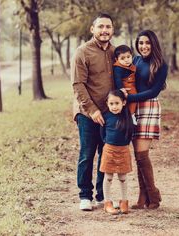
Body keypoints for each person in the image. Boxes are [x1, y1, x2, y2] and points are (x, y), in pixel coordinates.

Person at [71, 13, 115, 211]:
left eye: (108, 27)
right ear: (93, 29)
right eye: (101, 27)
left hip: (110, 113)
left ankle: (101, 194)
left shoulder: (116, 52)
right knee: (87, 153)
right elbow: (78, 85)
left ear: (112, 30)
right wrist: (92, 110)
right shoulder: (82, 52)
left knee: (105, 154)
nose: (104, 30)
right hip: (86, 112)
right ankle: (85, 195)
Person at [124, 30, 168, 209]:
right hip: (134, 108)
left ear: (154, 44)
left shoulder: (161, 64)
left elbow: (154, 91)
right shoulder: (135, 60)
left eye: (147, 43)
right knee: (137, 155)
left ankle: (153, 196)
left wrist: (129, 98)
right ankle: (143, 197)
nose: (144, 46)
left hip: (149, 106)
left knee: (142, 155)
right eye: (141, 43)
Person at [99, 90, 133, 214]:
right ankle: (107, 202)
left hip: (123, 150)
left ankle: (124, 201)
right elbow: (102, 133)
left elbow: (130, 133)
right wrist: (107, 142)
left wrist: (124, 145)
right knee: (108, 176)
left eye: (117, 103)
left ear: (123, 103)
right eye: (111, 103)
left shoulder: (127, 116)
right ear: (107, 104)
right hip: (109, 149)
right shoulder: (105, 116)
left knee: (123, 177)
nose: (114, 107)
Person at [113, 45, 137, 124]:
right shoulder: (118, 68)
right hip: (125, 87)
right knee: (133, 98)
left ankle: (131, 114)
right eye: (122, 58)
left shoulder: (132, 66)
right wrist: (122, 89)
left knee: (132, 100)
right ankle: (131, 115)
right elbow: (117, 79)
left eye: (128, 57)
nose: (126, 60)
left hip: (131, 85)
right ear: (117, 59)